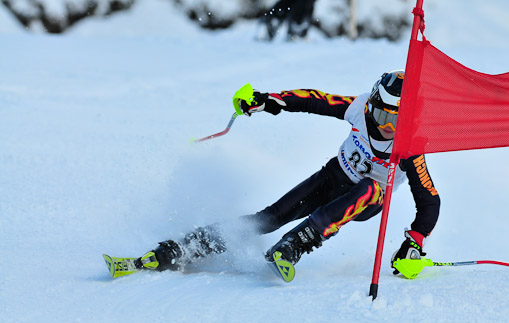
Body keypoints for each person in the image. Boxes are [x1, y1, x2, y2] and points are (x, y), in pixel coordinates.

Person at [136, 70, 440, 281]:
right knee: (268, 218)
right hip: (333, 177)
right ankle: (188, 246)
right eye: (384, 115)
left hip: (364, 201)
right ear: (373, 103)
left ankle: (297, 243)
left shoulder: (410, 144)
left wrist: (414, 241)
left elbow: (429, 201)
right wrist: (269, 100)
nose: (388, 126)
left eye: (397, 119)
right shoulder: (359, 108)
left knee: (373, 189)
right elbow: (314, 99)